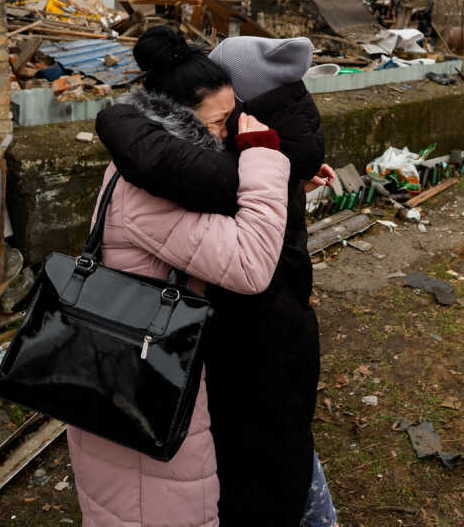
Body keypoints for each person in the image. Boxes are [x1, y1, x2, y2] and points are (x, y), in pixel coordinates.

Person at [97, 34, 338, 526]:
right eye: (219, 123)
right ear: (183, 120)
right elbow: (250, 264)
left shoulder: (171, 170)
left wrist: (287, 182)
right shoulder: (155, 192)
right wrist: (267, 161)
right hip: (150, 363)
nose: (230, 134)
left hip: (163, 350)